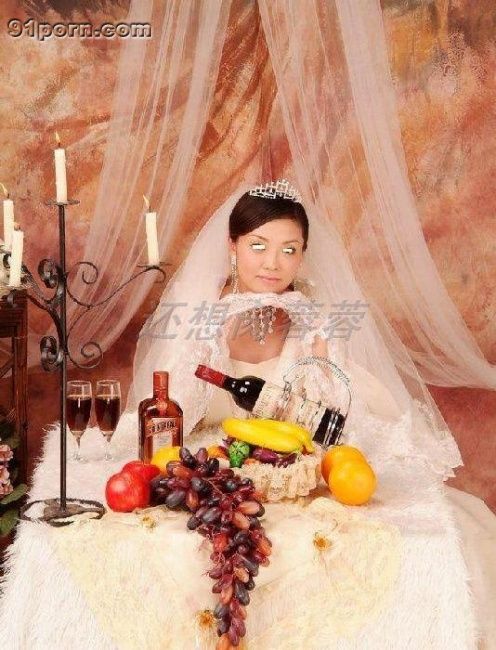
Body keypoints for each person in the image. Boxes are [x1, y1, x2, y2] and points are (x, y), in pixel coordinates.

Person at [123, 179, 495, 647]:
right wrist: (212, 334)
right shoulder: (202, 311)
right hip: (217, 466)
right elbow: (171, 409)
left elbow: (333, 415)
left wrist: (317, 354)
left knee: (449, 532)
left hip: (295, 465)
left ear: (303, 254)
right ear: (232, 246)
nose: (272, 264)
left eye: (289, 250)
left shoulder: (314, 316)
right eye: (258, 246)